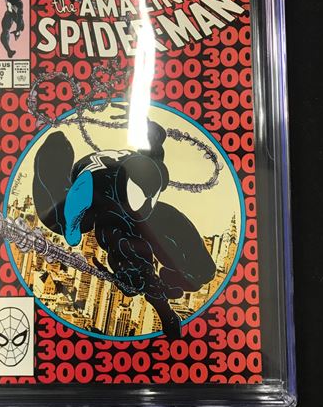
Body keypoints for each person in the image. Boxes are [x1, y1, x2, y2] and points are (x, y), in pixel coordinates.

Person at [32, 120, 216, 338]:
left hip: (127, 193)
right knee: (106, 232)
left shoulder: (151, 174)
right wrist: (72, 230)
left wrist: (152, 131)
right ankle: (157, 298)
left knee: (201, 267)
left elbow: (154, 147)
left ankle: (180, 276)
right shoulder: (94, 187)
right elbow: (73, 217)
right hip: (95, 199)